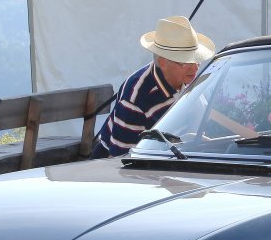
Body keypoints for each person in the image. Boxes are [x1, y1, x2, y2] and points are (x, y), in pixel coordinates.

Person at [92, 15, 215, 157]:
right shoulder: (135, 96)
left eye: (197, 60)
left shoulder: (187, 78)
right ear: (162, 62)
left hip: (172, 156)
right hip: (126, 163)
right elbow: (122, 157)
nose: (195, 68)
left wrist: (190, 140)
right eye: (185, 62)